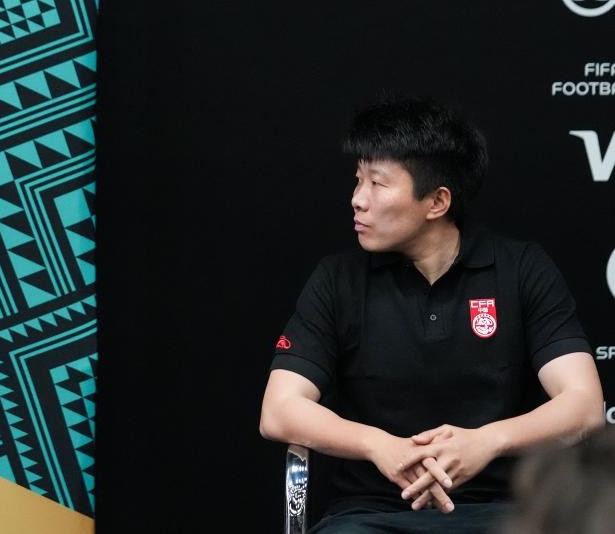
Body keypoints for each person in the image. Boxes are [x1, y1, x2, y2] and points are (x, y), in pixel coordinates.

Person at [258, 96, 604, 533]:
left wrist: (486, 441)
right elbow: (280, 410)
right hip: (370, 516)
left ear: (437, 202)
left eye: (377, 184)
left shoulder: (521, 270)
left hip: (504, 514)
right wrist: (379, 445)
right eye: (358, 179)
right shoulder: (336, 280)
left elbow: (584, 406)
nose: (357, 199)